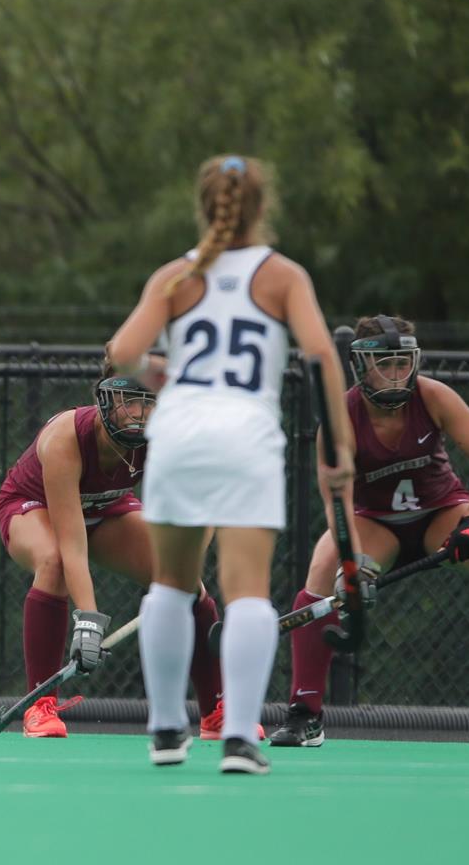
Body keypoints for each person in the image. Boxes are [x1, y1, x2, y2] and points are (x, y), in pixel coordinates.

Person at [106, 155, 352, 775]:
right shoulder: (283, 276)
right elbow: (323, 360)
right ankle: (239, 738)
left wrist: (161, 373)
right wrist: (340, 450)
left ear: (203, 204)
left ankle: (166, 729)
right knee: (247, 592)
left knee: (170, 583)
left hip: (182, 431)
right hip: (245, 434)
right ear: (263, 208)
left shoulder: (175, 277)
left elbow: (120, 353)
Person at [272, 315, 469, 745]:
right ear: (361, 366)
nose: (395, 373)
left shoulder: (434, 396)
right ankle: (305, 712)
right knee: (322, 568)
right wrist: (350, 564)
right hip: (373, 521)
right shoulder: (340, 419)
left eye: (402, 363)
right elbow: (335, 502)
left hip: (441, 512)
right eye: (384, 364)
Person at [0, 361, 247, 739]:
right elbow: (72, 546)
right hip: (33, 507)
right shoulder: (65, 439)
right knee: (54, 562)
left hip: (106, 508)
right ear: (105, 399)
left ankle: (215, 713)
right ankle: (41, 706)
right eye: (130, 400)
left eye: (149, 403)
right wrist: (88, 620)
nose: (139, 413)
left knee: (187, 582)